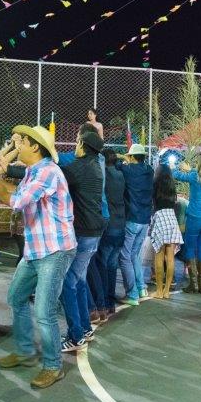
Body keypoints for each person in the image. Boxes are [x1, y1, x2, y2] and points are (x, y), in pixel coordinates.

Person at [0, 125, 77, 389]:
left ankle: (53, 366)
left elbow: (17, 202)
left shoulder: (48, 172)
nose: (17, 146)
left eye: (21, 142)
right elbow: (16, 190)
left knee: (44, 311)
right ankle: (25, 351)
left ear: (35, 147)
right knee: (16, 297)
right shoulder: (32, 171)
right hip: (35, 249)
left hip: (54, 250)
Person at [57, 130, 105, 352]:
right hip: (94, 231)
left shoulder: (80, 167)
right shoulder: (95, 166)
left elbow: (53, 174)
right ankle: (85, 328)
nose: (74, 146)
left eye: (77, 142)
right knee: (79, 280)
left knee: (67, 282)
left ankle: (75, 336)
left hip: (83, 232)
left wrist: (10, 170)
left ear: (83, 146)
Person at [173, 152, 201, 294]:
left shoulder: (194, 176)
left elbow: (176, 175)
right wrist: (190, 169)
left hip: (195, 217)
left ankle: (193, 284)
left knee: (190, 249)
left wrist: (175, 166)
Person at [117, 144, 154, 304]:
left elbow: (116, 164)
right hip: (145, 220)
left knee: (125, 257)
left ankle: (132, 295)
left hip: (132, 218)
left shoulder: (128, 170)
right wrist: (129, 159)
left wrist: (122, 158)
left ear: (131, 157)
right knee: (134, 255)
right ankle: (141, 288)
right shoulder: (149, 170)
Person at [97, 148, 126, 313]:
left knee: (102, 264)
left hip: (109, 226)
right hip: (121, 224)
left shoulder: (105, 175)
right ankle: (110, 302)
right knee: (112, 265)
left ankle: (103, 301)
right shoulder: (120, 174)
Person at [150, 165, 183, 299]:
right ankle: (167, 291)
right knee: (170, 257)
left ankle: (159, 291)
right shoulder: (171, 186)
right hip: (171, 218)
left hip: (160, 217)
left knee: (159, 255)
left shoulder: (155, 185)